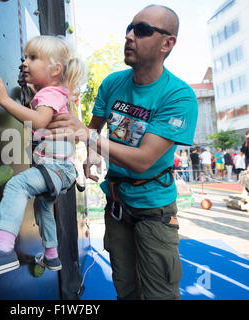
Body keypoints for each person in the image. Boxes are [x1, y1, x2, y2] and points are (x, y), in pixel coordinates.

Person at [48, 5, 198, 299]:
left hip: (154, 209)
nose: (129, 36)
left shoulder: (178, 96)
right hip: (116, 205)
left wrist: (85, 135)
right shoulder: (112, 83)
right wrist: (90, 155)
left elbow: (142, 161)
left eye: (142, 30)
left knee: (159, 294)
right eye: (129, 28)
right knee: (125, 290)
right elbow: (95, 129)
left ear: (167, 43)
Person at [0, 35, 86, 282]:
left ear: (55, 69)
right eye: (25, 57)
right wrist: (33, 90)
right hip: (61, 171)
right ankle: (52, 254)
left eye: (33, 58)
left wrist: (3, 99)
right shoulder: (53, 93)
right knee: (44, 206)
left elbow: (39, 121)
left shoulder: (50, 96)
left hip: (55, 168)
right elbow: (42, 110)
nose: (25, 62)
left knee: (17, 184)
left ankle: (2, 248)